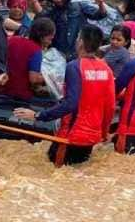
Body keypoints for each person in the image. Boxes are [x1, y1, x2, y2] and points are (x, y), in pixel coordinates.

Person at [13, 26, 115, 166]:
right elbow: (110, 105)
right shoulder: (106, 70)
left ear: (80, 42)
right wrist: (104, 133)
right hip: (92, 136)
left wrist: (38, 115)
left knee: (51, 171)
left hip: (71, 135)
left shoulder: (74, 66)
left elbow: (71, 103)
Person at [37, 0, 107, 60]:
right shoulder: (50, 11)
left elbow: (100, 15)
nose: (59, 0)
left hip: (76, 54)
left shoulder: (78, 6)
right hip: (57, 55)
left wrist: (101, 5)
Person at [0, 18, 58, 100]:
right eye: (50, 39)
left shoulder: (13, 39)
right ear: (42, 37)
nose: (50, 42)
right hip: (18, 95)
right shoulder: (35, 50)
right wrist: (50, 77)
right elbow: (33, 79)